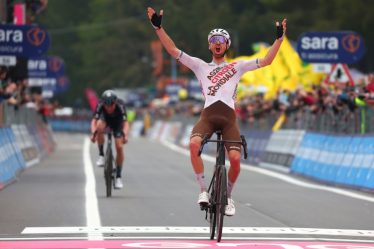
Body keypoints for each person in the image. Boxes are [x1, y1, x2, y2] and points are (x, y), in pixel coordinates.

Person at [147, 7, 287, 216]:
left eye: (222, 40)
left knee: (236, 160)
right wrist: (158, 28)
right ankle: (203, 190)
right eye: (214, 40)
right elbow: (174, 51)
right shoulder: (200, 66)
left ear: (227, 44)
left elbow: (266, 61)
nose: (218, 43)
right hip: (208, 118)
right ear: (209, 46)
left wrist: (278, 41)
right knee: (194, 145)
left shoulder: (237, 67)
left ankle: (228, 197)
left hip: (229, 120)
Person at [90, 90, 129, 189]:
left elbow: (126, 123)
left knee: (119, 147)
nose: (109, 108)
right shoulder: (100, 105)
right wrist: (94, 134)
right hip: (104, 120)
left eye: (111, 105)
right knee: (99, 126)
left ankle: (119, 177)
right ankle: (101, 155)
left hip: (117, 123)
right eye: (106, 106)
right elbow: (94, 121)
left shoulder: (121, 105)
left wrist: (125, 135)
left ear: (115, 103)